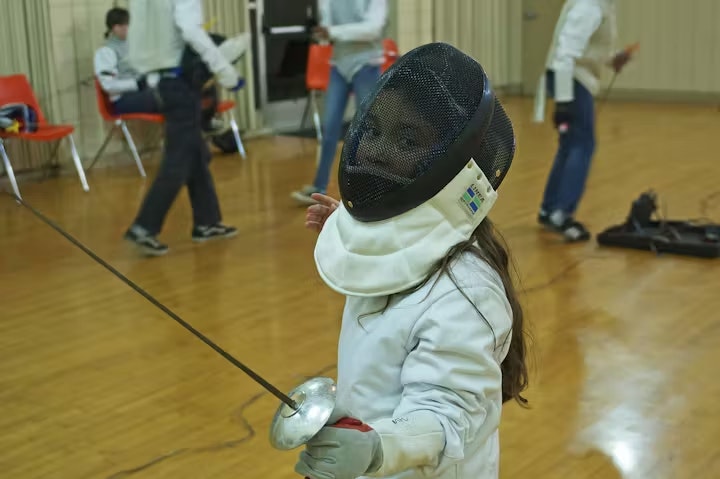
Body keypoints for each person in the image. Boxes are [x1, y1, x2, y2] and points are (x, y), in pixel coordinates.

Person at [297, 42, 528, 479]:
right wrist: (348, 228)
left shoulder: (467, 293)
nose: (376, 150)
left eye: (407, 140)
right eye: (376, 131)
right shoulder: (400, 250)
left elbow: (444, 418)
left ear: (452, 165)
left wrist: (376, 448)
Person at [123, 0, 245, 256]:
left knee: (195, 152)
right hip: (179, 84)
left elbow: (138, 41)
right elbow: (191, 31)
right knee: (178, 159)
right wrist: (225, 71)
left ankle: (207, 221)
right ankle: (144, 226)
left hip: (158, 82)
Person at [533, 0, 632, 241]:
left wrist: (612, 59)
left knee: (571, 144)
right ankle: (561, 213)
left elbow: (589, 50)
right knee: (582, 144)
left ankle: (549, 209)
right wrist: (565, 101)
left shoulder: (601, 5)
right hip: (572, 81)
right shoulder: (589, 5)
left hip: (572, 79)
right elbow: (566, 52)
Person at [290, 0, 388, 206]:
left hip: (366, 64)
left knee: (368, 129)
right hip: (339, 65)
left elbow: (372, 30)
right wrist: (324, 33)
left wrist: (333, 32)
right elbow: (327, 29)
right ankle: (319, 187)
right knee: (330, 128)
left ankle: (372, 187)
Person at [94, 7, 243, 135]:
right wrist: (137, 84)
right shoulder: (105, 52)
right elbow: (108, 85)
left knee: (197, 85)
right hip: (123, 100)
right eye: (128, 26)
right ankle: (195, 132)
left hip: (146, 89)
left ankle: (205, 123)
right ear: (116, 28)